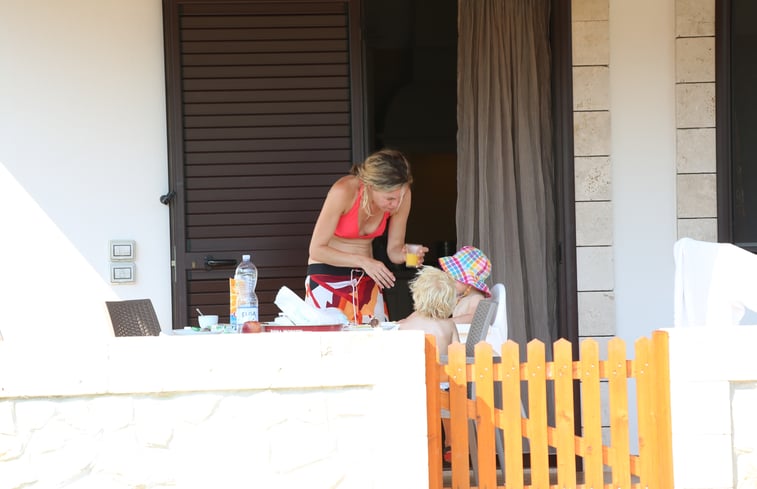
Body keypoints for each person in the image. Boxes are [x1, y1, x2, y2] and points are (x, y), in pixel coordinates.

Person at [305, 149, 427, 324]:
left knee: (375, 336)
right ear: (371, 186)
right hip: (326, 274)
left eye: (400, 197)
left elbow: (394, 251)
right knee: (328, 338)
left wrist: (409, 256)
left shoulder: (402, 195)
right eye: (390, 199)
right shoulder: (343, 191)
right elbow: (316, 250)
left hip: (367, 275)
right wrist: (363, 261)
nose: (396, 204)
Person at [398, 266, 460, 354]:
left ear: (417, 295)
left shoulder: (405, 326)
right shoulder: (449, 325)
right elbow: (458, 354)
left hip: (415, 363)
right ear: (450, 300)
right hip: (440, 363)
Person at [438, 246, 492, 324]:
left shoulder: (477, 298)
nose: (450, 282)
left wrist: (448, 322)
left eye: (455, 278)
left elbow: (473, 318)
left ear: (470, 283)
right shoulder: (462, 297)